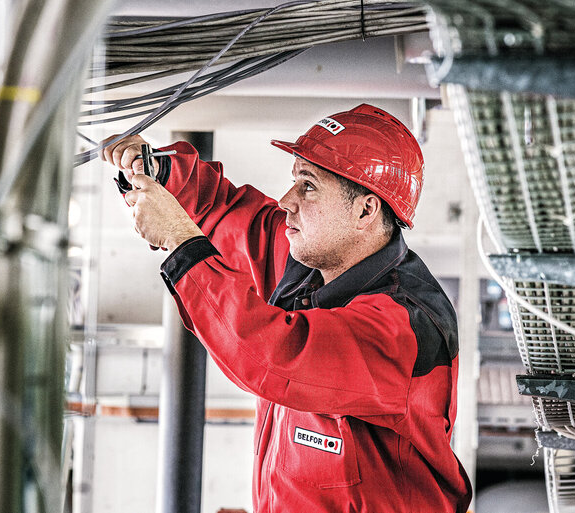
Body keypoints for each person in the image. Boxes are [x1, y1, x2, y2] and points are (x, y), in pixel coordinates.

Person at [101, 104, 472, 512]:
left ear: (366, 209)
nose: (287, 200)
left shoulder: (403, 326)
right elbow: (222, 211)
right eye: (294, 180)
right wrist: (159, 172)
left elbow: (272, 357)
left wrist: (177, 237)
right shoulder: (311, 265)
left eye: (308, 186)